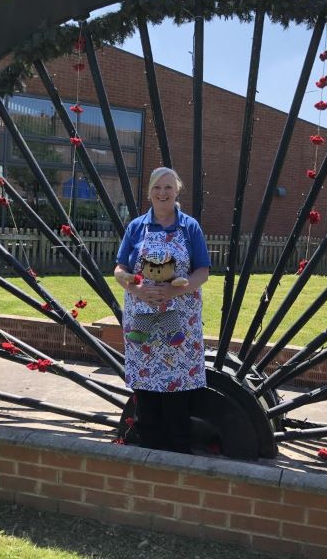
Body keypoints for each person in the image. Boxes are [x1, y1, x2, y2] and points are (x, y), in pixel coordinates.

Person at [114, 167, 211, 453]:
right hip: (142, 321)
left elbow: (202, 271)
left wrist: (174, 290)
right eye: (157, 187)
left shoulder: (189, 227)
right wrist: (135, 289)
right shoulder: (136, 228)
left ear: (177, 191)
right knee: (146, 396)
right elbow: (120, 269)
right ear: (150, 192)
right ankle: (149, 455)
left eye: (168, 187)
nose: (162, 193)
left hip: (178, 322)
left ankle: (178, 457)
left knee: (176, 397)